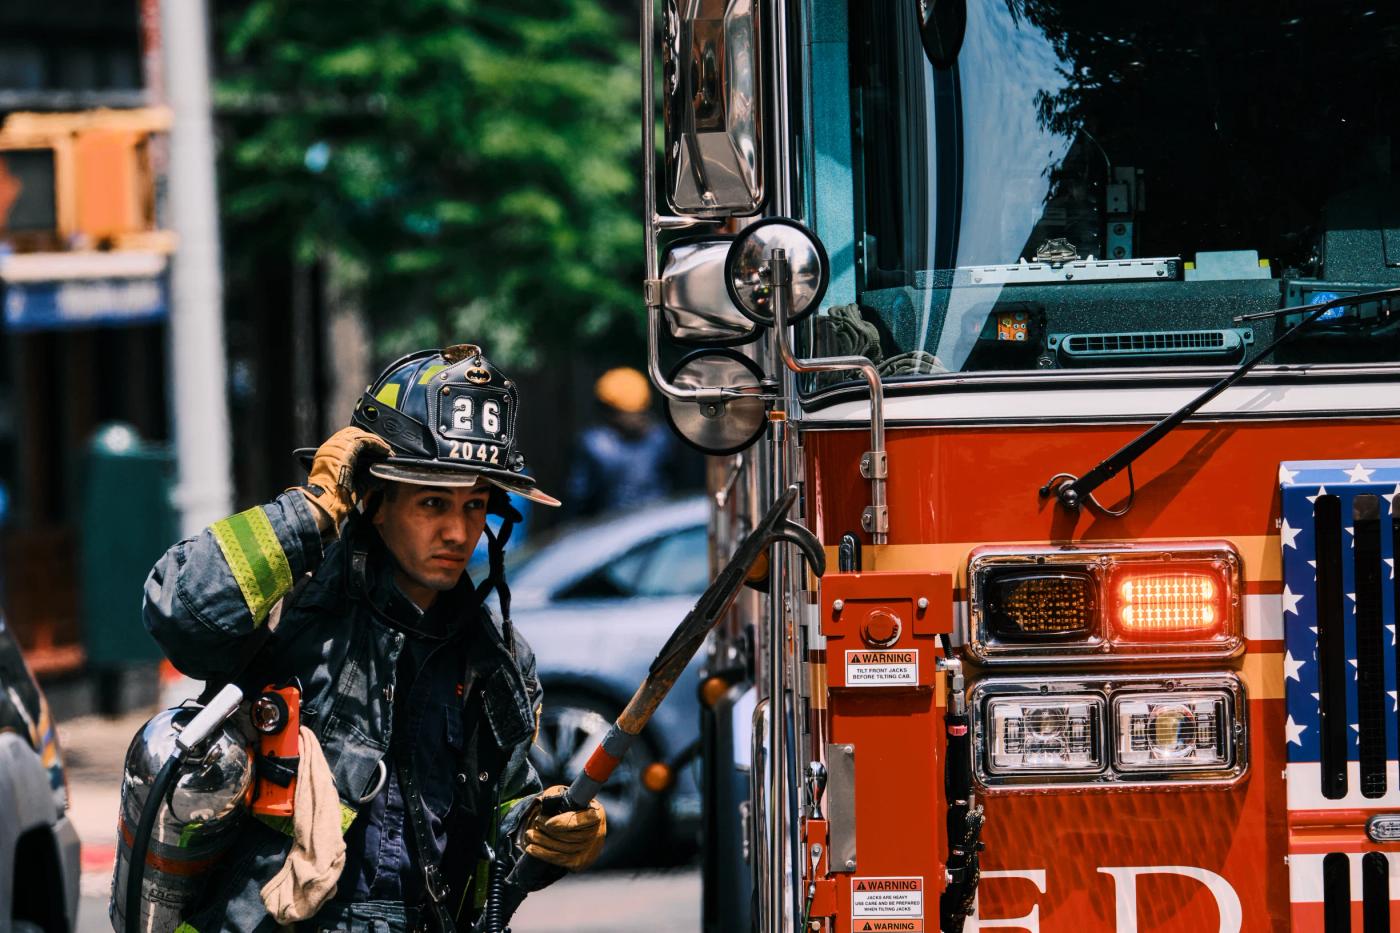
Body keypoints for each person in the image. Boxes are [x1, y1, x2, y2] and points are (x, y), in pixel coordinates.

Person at [139, 344, 605, 932]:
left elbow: (498, 816)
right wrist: (310, 512)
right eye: (433, 502)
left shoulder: (498, 659)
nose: (458, 531)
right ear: (375, 502)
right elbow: (179, 612)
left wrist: (542, 829)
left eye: (476, 505)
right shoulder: (295, 611)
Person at [565, 366, 680, 519]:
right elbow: (577, 499)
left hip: (655, 526)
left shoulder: (661, 438)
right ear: (610, 414)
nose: (637, 419)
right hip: (612, 531)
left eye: (640, 413)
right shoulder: (594, 445)